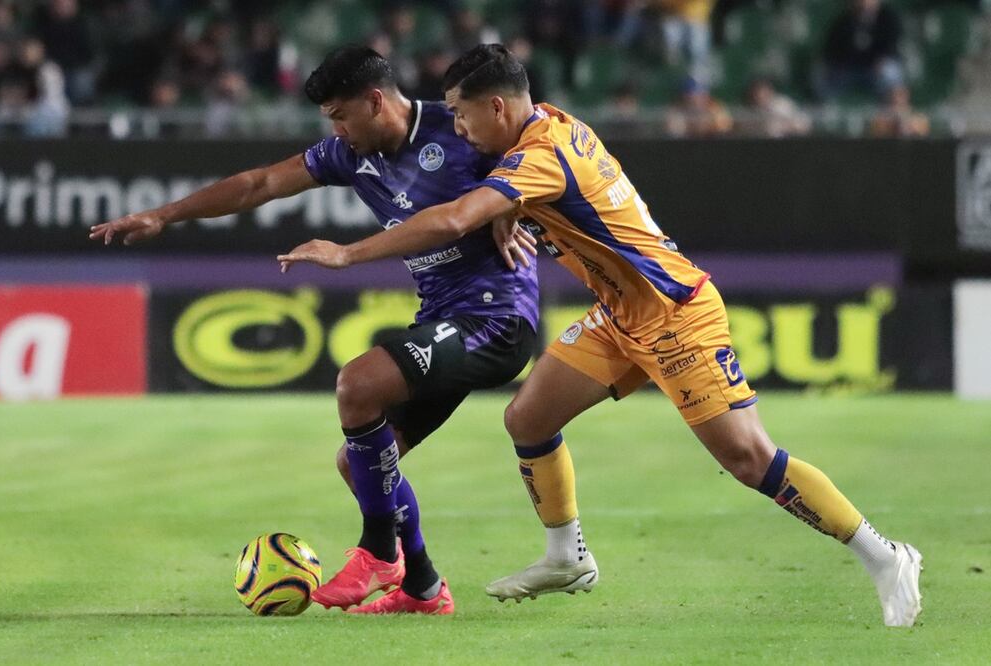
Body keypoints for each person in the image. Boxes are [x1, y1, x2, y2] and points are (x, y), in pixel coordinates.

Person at [278, 44, 924, 628]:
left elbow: (454, 216)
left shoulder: (537, 155)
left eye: (462, 114)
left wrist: (349, 253)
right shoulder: (547, 125)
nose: (458, 128)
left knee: (747, 458)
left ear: (496, 108)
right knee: (528, 418)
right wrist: (510, 216)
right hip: (620, 314)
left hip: (671, 312)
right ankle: (567, 559)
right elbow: (514, 197)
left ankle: (883, 554)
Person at [89, 46, 540, 616]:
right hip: (441, 319)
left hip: (494, 318)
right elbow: (260, 184)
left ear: (376, 101)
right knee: (360, 463)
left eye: (340, 114)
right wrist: (164, 215)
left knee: (358, 384)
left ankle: (379, 552)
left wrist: (514, 196)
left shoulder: (459, 127)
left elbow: (535, 136)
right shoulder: (349, 155)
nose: (335, 129)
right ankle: (423, 588)